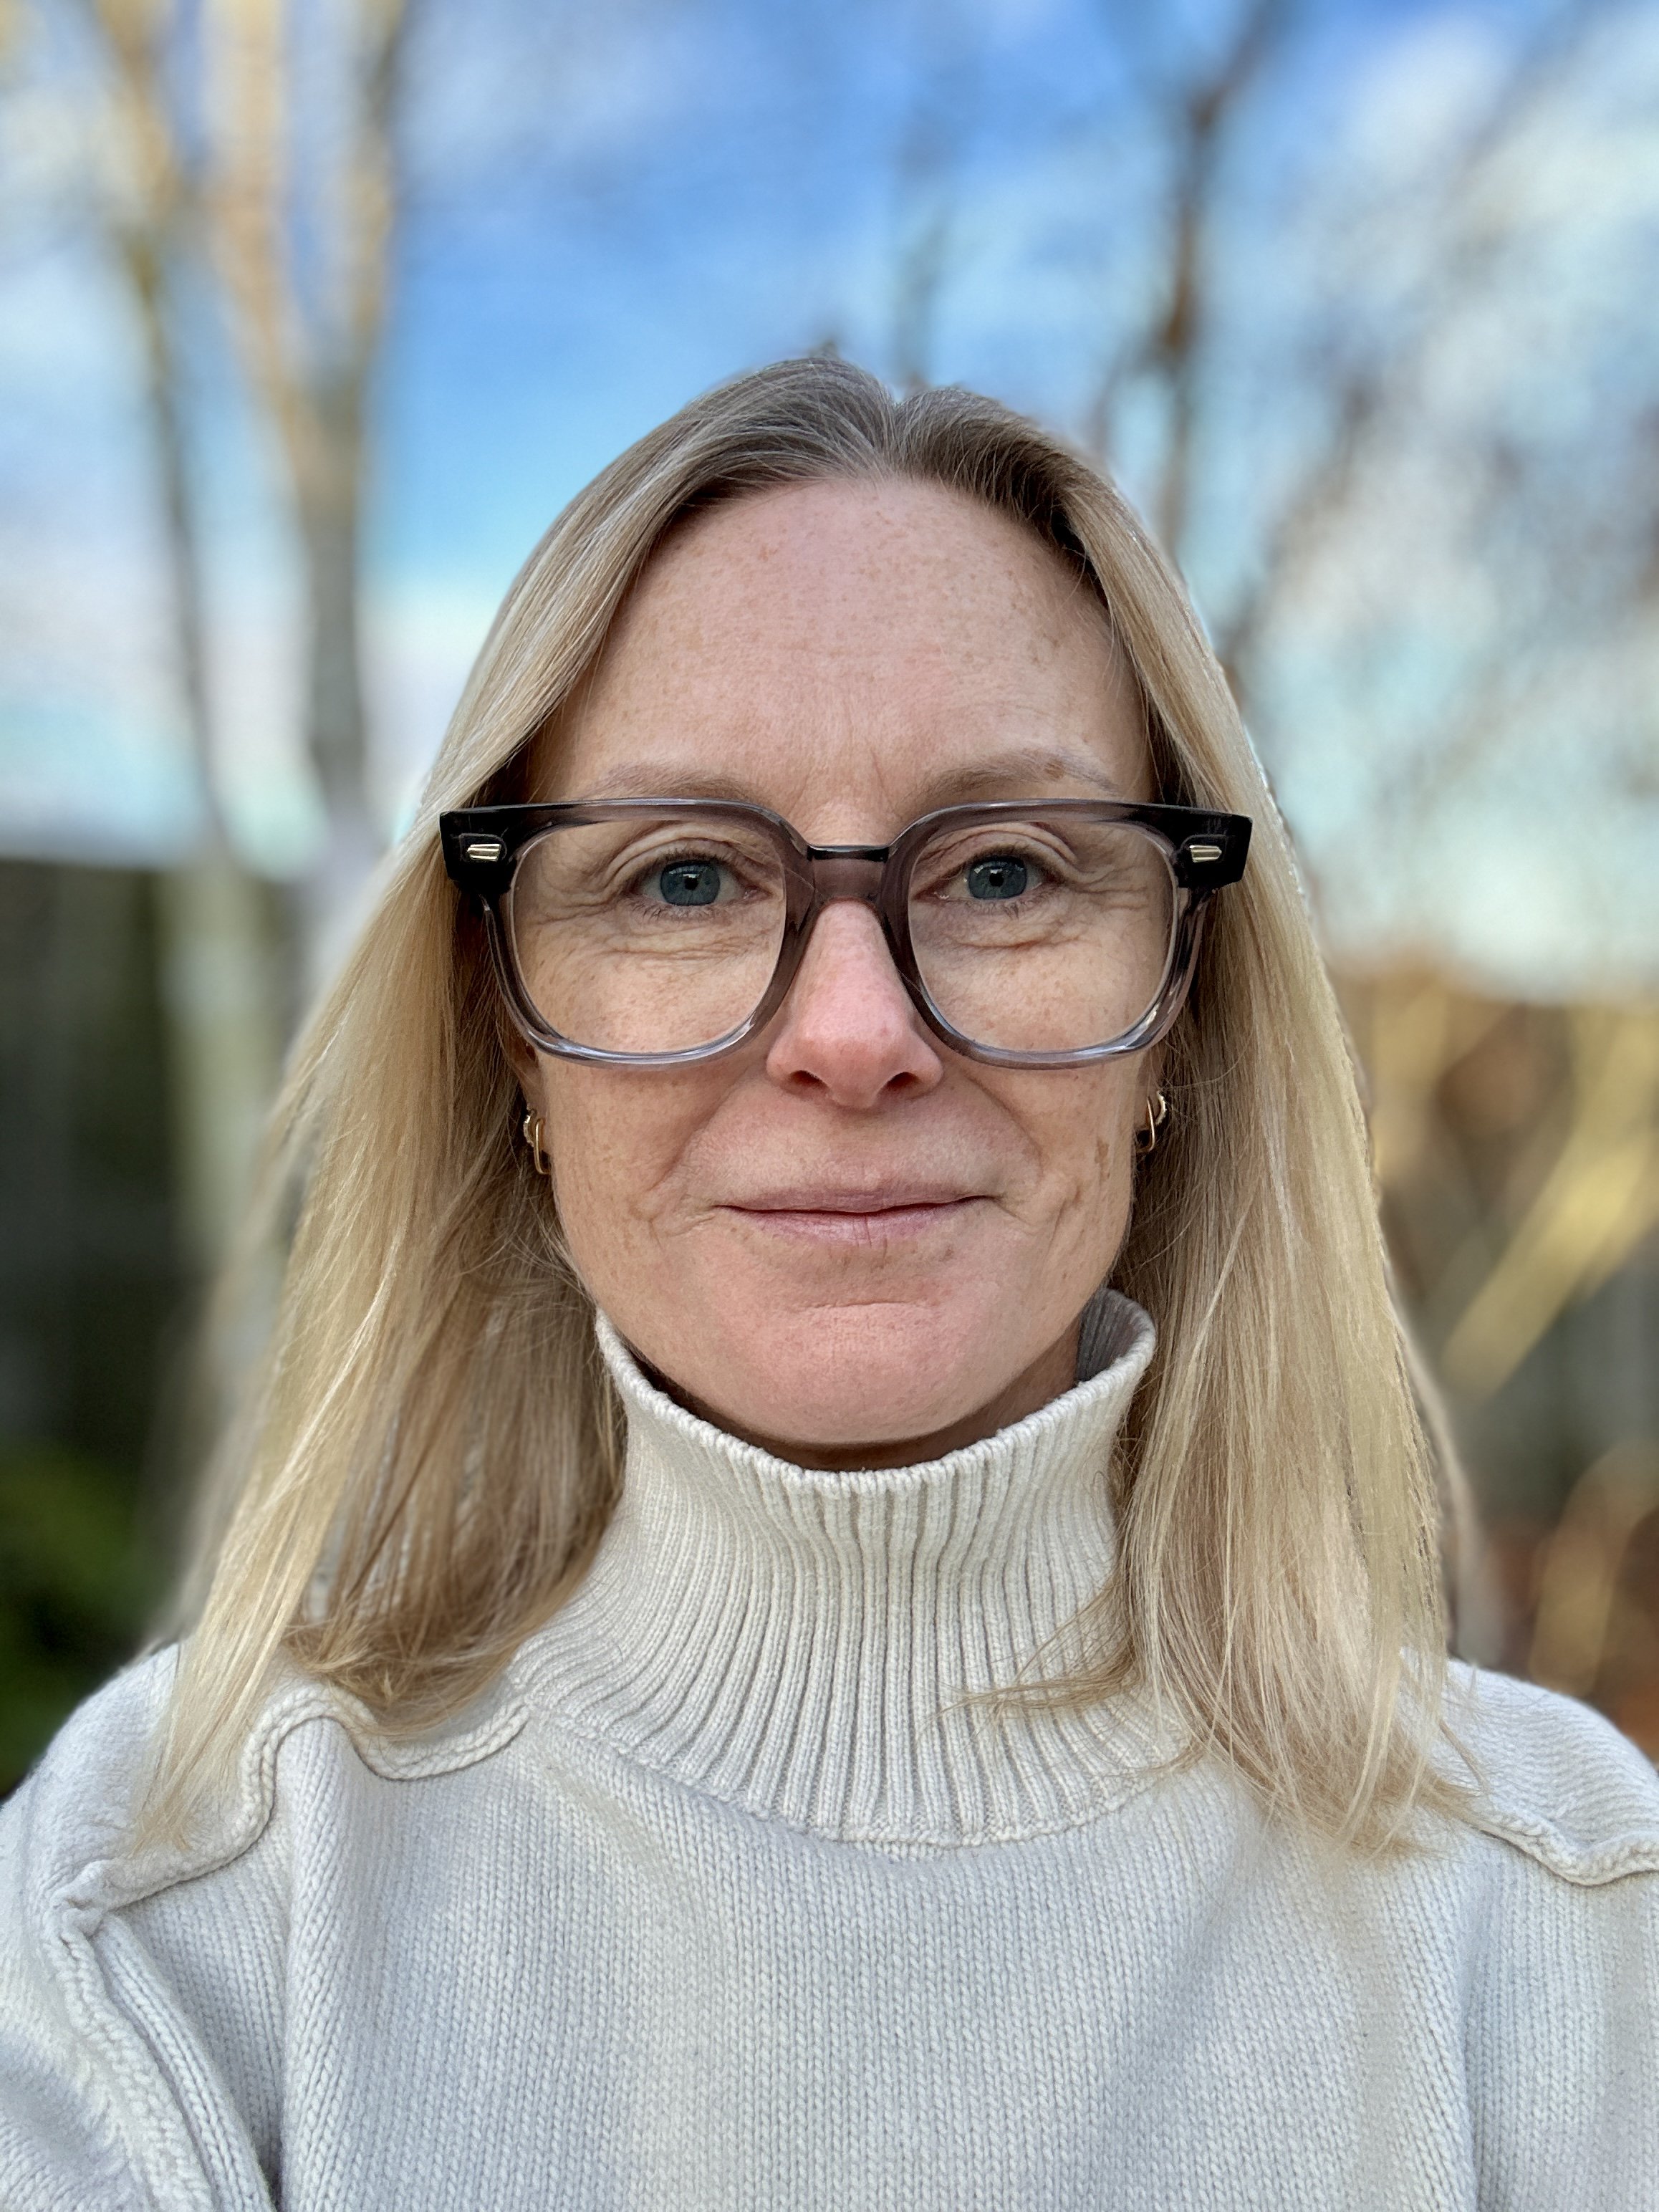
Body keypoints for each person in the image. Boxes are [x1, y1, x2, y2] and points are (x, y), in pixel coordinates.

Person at [2, 359, 1655, 2211]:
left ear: (1180, 1004)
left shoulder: (1563, 1925)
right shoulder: (179, 1906)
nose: (852, 1032)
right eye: (685, 879)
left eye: (1009, 869)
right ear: (507, 1041)